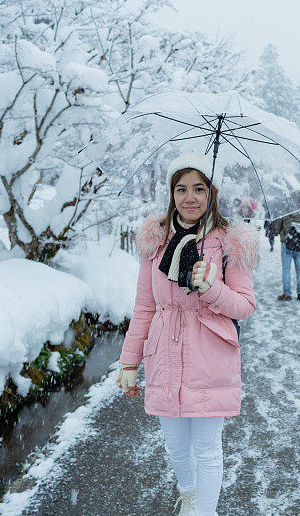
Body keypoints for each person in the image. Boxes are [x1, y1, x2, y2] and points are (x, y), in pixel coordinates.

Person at [115, 152, 259, 516]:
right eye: (181, 189)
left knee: (207, 449)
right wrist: (129, 361)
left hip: (211, 356)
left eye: (199, 187)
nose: (189, 197)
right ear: (171, 193)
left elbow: (245, 306)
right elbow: (145, 307)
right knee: (176, 446)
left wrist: (212, 289)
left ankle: (204, 512)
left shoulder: (230, 242)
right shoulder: (156, 240)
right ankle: (189, 494)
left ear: (212, 193)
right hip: (164, 354)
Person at [273, 190, 300, 301]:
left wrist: (285, 233)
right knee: (299, 269)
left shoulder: (285, 212)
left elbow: (277, 227)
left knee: (286, 270)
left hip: (286, 245)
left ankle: (287, 293)